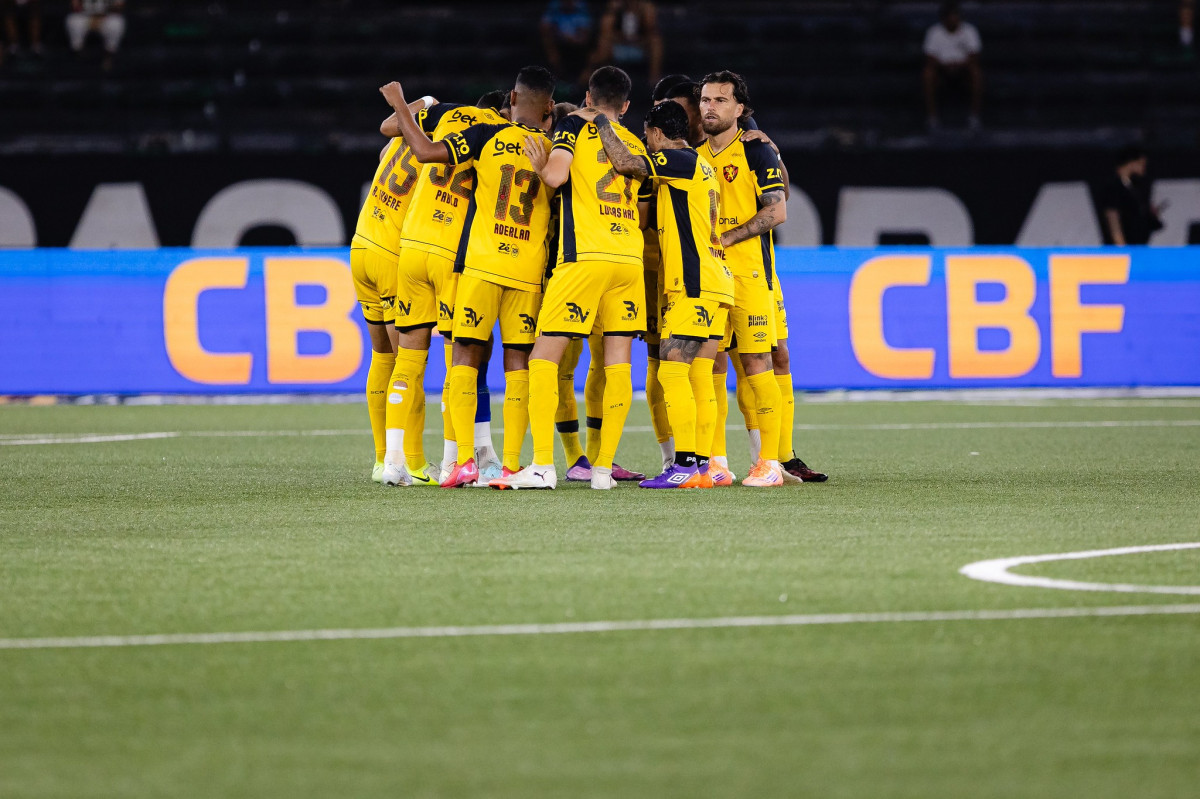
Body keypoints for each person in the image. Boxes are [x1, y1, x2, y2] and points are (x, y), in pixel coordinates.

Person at [379, 67, 558, 489]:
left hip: (476, 263)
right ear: (549, 108)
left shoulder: (484, 134)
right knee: (518, 363)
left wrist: (402, 103)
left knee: (461, 358)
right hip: (527, 271)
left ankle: (458, 462)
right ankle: (511, 466)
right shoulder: (555, 150)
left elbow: (423, 152)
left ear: (512, 99)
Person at [492, 66, 650, 491]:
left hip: (584, 258)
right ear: (626, 106)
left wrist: (543, 165)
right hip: (628, 259)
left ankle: (542, 465)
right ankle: (602, 470)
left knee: (542, 358)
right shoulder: (633, 142)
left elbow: (556, 176)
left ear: (587, 96)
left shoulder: (573, 125)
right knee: (618, 362)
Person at [589, 99, 733, 488]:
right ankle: (701, 468)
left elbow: (625, 163)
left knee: (672, 371)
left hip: (694, 284)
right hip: (716, 281)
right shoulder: (700, 165)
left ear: (655, 133)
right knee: (700, 376)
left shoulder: (681, 161)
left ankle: (685, 465)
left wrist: (601, 121)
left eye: (648, 136)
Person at [378, 94, 509, 488]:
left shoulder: (446, 115)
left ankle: (393, 461)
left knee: (408, 360)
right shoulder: (498, 132)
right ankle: (454, 461)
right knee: (459, 363)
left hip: (412, 245)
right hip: (452, 254)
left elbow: (391, 130)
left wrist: (410, 103)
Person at [697, 70, 788, 488]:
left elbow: (777, 211)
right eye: (705, 100)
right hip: (709, 276)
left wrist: (728, 236)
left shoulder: (756, 152)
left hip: (750, 273)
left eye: (719, 100)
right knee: (711, 364)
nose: (709, 107)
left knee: (756, 363)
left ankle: (770, 462)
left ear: (739, 109)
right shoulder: (693, 156)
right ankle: (716, 461)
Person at [349, 94, 434, 485]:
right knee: (408, 363)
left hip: (361, 245)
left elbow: (388, 127)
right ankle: (412, 462)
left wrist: (416, 102)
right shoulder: (431, 154)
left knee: (382, 356)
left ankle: (382, 458)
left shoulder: (398, 141)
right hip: (390, 257)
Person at [922, 0, 983, 131]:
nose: (954, 19)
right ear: (944, 18)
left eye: (956, 16)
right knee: (928, 74)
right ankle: (932, 117)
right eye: (950, 16)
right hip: (942, 70)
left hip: (963, 70)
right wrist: (946, 66)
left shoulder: (969, 31)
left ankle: (974, 117)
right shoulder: (934, 32)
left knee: (976, 73)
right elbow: (930, 58)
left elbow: (974, 57)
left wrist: (958, 65)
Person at [584, 1, 662, 91]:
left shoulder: (645, 7)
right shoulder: (616, 8)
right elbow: (605, 31)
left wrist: (641, 11)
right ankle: (595, 78)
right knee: (603, 43)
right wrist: (613, 11)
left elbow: (651, 29)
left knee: (656, 41)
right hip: (619, 46)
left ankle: (654, 78)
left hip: (640, 47)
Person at [1098, 145, 1165, 246]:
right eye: (1142, 164)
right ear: (1132, 163)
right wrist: (1122, 248)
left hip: (1137, 247)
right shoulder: (1113, 187)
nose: (1144, 169)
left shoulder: (1133, 186)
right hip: (1124, 250)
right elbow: (1113, 218)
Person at [540, 1, 593, 92]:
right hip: (558, 43)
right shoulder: (554, 7)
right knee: (548, 42)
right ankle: (557, 77)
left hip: (578, 45)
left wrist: (573, 39)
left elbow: (585, 34)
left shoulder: (581, 8)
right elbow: (544, 27)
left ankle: (578, 85)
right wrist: (561, 35)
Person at [66, 0, 124, 69]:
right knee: (73, 20)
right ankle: (78, 52)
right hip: (85, 16)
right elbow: (75, 7)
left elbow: (119, 7)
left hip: (106, 17)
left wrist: (102, 14)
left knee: (116, 23)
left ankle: (109, 54)